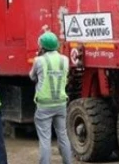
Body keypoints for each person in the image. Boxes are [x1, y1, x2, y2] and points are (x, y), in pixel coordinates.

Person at [30, 31, 72, 164]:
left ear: (42, 47)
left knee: (45, 139)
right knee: (63, 136)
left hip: (44, 105)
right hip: (60, 104)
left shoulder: (39, 60)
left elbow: (32, 76)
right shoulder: (65, 60)